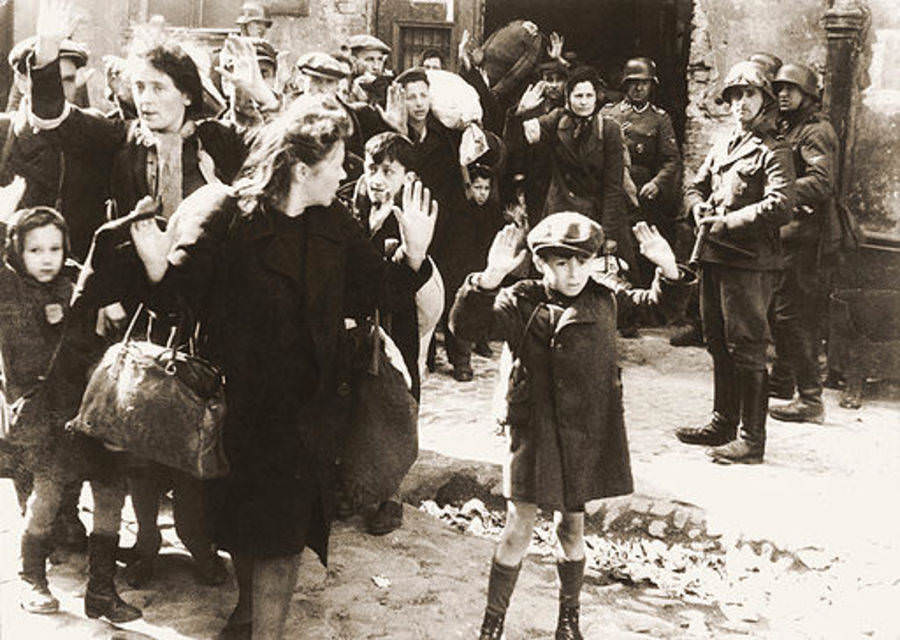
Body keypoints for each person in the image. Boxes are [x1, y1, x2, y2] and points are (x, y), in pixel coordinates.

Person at [125, 94, 439, 640]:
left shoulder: (335, 223)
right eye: (338, 162)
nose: (346, 174)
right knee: (249, 529)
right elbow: (179, 298)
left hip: (308, 410)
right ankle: (248, 614)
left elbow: (373, 294)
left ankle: (262, 630)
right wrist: (156, 269)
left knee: (283, 535)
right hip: (238, 408)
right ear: (301, 168)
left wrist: (412, 255)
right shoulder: (231, 217)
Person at [449, 213, 692, 640]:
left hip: (584, 432)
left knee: (571, 527)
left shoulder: (606, 298)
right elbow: (465, 327)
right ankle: (492, 626)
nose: (574, 272)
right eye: (562, 263)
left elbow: (660, 308)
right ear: (542, 264)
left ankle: (568, 622)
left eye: (583, 261)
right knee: (517, 527)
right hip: (533, 431)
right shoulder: (520, 299)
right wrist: (487, 280)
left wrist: (668, 270)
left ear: (596, 261)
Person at [0, 206, 141, 622]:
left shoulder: (76, 284)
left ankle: (101, 590)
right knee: (47, 494)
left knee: (111, 491)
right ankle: (32, 579)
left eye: (55, 248)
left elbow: (104, 286)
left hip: (89, 406)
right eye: (35, 249)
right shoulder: (9, 290)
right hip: (44, 413)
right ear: (16, 252)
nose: (47, 258)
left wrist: (108, 308)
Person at [674, 61, 795, 464]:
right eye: (734, 96)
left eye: (750, 95)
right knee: (716, 341)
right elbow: (694, 184)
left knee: (747, 346)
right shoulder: (724, 144)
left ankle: (751, 438)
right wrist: (697, 209)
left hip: (749, 262)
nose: (741, 104)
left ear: (765, 102)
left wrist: (729, 220)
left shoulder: (774, 150)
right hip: (713, 256)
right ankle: (723, 422)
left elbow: (781, 206)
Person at [350, 131, 444, 534]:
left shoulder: (410, 217)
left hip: (397, 324)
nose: (377, 178)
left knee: (398, 403)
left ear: (407, 176)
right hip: (357, 325)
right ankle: (354, 486)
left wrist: (411, 255)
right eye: (372, 168)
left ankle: (392, 496)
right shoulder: (351, 211)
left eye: (388, 171)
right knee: (357, 401)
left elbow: (413, 281)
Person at [390, 67, 477, 381]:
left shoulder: (446, 133)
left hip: (449, 222)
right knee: (416, 290)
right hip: (412, 224)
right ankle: (419, 355)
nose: (418, 103)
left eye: (423, 95)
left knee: (454, 286)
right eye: (411, 97)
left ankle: (461, 356)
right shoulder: (395, 134)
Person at [507, 66, 634, 276]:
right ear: (568, 97)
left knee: (603, 276)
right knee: (559, 273)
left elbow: (613, 186)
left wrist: (609, 234)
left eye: (588, 95)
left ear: (596, 98)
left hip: (597, 212)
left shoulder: (609, 129)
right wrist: (520, 114)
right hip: (561, 209)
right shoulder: (556, 120)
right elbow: (519, 141)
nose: (583, 101)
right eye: (578, 96)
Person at [768, 62, 838, 423]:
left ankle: (810, 399)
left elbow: (822, 181)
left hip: (808, 238)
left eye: (790, 90)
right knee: (781, 310)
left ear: (808, 95)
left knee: (795, 316)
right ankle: (781, 381)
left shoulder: (815, 132)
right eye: (779, 88)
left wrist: (778, 192)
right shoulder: (789, 126)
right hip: (790, 233)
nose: (782, 94)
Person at [601, 57, 682, 285]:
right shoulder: (609, 114)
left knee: (644, 246)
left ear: (651, 86)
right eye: (633, 82)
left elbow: (671, 159)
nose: (638, 88)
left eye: (644, 83)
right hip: (613, 189)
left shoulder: (659, 118)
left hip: (644, 194)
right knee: (614, 244)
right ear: (625, 84)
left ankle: (646, 298)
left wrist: (657, 183)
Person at [347, 34, 392, 105]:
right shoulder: (344, 84)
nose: (376, 67)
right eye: (369, 60)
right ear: (354, 61)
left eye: (380, 59)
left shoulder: (389, 87)